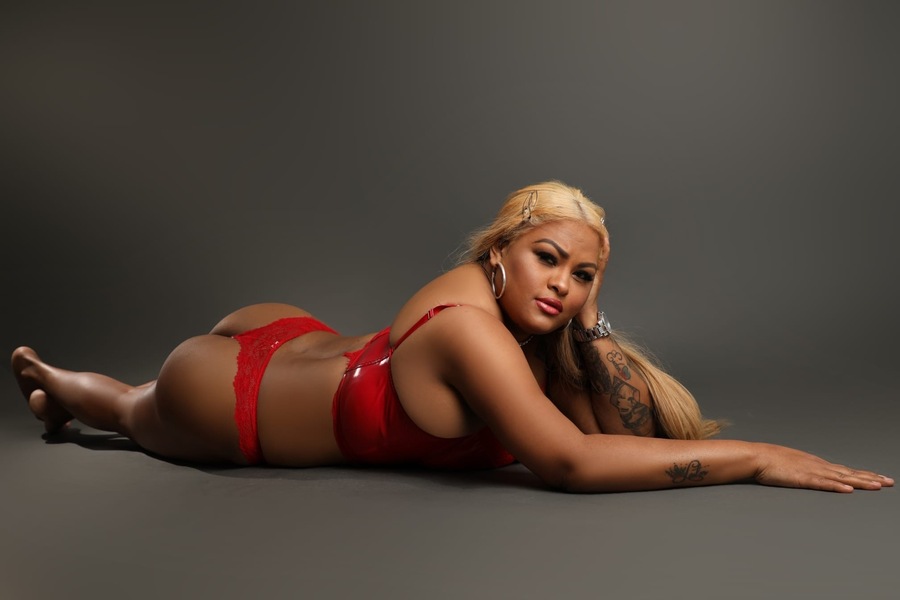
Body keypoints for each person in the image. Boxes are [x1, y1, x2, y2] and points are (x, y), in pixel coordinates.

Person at [11, 181, 892, 493]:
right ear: (499, 253)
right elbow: (572, 461)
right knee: (130, 410)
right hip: (232, 393)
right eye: (549, 259)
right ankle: (62, 387)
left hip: (301, 338)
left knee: (132, 408)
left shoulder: (529, 324)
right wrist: (757, 456)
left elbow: (616, 425)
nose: (563, 284)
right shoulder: (472, 333)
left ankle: (60, 397)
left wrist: (590, 318)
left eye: (584, 274)